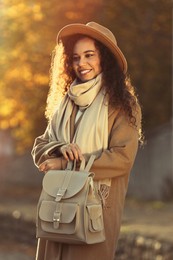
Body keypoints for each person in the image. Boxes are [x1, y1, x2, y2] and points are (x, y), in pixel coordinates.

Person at [31, 21, 142, 260]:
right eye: (75, 57)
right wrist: (59, 148)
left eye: (89, 55)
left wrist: (65, 164)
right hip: (57, 209)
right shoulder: (64, 103)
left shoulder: (122, 105)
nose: (82, 63)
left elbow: (122, 158)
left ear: (104, 59)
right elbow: (40, 146)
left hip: (95, 212)